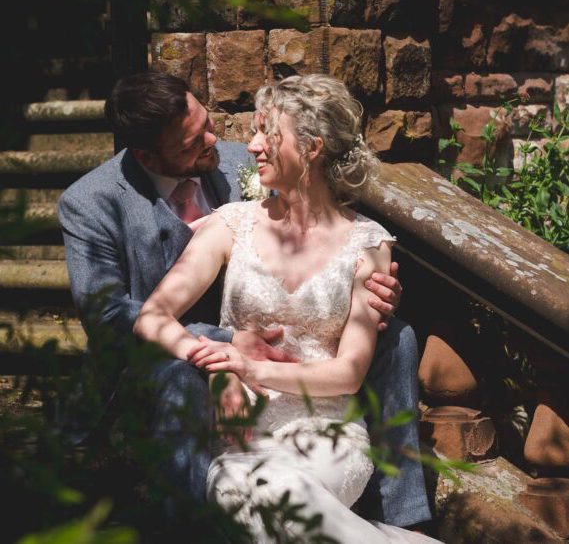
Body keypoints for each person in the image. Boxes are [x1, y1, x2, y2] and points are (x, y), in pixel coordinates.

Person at [58, 71, 429, 530]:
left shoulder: (242, 161)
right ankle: (190, 528)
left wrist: (372, 291)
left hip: (303, 392)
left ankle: (405, 514)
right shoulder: (92, 203)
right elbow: (110, 316)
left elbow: (321, 226)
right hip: (167, 362)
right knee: (180, 379)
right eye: (193, 141)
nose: (218, 142)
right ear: (148, 155)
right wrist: (223, 352)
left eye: (208, 124)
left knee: (398, 337)